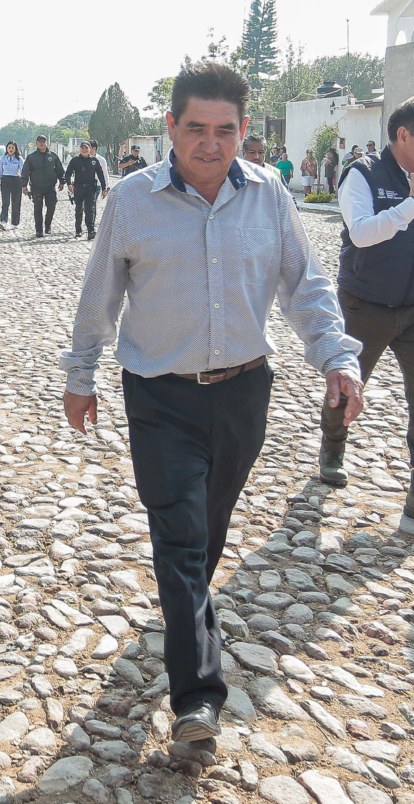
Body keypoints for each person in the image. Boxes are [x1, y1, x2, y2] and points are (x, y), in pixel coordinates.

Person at [61, 62, 362, 743]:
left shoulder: (270, 195)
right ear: (170, 128)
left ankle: (185, 606)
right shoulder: (132, 201)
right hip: (159, 399)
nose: (209, 144)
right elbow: (98, 297)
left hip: (244, 395)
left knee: (207, 531)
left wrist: (337, 359)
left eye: (225, 131)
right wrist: (80, 375)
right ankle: (197, 696)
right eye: (194, 128)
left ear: (244, 131)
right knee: (182, 535)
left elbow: (306, 288)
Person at [318, 97, 414, 517]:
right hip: (366, 305)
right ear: (404, 134)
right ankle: (333, 449)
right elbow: (360, 233)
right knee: (345, 387)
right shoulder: (363, 173)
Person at [64, 140, 108, 239]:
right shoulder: (75, 160)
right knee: (79, 209)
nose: (84, 150)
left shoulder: (94, 161)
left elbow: (101, 175)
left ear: (89, 149)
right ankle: (78, 230)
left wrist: (104, 188)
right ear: (80, 149)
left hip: (90, 189)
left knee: (90, 209)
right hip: (78, 188)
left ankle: (90, 230)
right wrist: (69, 184)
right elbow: (68, 173)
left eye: (86, 148)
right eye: (82, 148)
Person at [22, 135, 64, 237]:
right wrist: (24, 185)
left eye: (44, 141)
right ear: (36, 143)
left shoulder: (53, 156)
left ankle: (48, 225)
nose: (42, 143)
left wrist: (62, 182)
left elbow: (59, 170)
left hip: (50, 186)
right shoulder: (31, 157)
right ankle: (39, 230)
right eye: (40, 142)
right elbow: (25, 172)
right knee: (37, 208)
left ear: (46, 143)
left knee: (51, 206)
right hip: (37, 186)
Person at [0, 140, 23, 229]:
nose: (11, 149)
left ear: (15, 149)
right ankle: (3, 221)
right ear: (7, 148)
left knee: (16, 202)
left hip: (16, 180)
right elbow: (0, 171)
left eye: (12, 148)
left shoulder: (19, 159)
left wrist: (24, 183)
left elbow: (22, 171)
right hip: (5, 180)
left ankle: (15, 223)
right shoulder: (3, 158)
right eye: (9, 147)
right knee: (5, 202)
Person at [89, 139, 109, 213]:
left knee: (92, 203)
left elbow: (105, 173)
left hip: (97, 185)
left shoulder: (101, 160)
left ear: (94, 148)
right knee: (86, 205)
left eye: (89, 147)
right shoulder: (84, 159)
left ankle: (91, 221)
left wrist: (106, 187)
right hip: (86, 185)